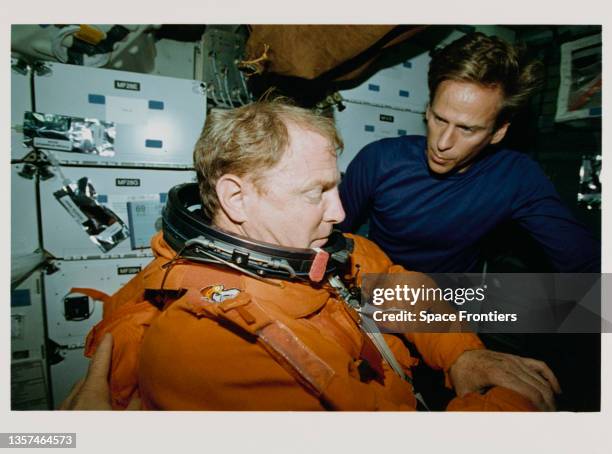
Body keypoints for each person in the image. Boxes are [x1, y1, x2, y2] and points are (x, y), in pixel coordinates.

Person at [70, 100, 560, 411]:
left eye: (337, 187)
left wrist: (462, 354)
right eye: (316, 192)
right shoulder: (208, 343)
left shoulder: (322, 247)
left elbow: (394, 281)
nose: (342, 210)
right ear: (237, 198)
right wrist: (508, 408)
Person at [338, 32, 600, 273]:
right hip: (381, 287)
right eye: (440, 119)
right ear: (428, 109)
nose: (443, 142)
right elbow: (332, 235)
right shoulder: (379, 160)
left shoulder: (517, 177)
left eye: (467, 129)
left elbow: (585, 261)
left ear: (498, 132)